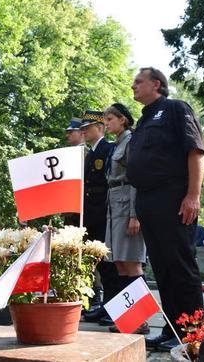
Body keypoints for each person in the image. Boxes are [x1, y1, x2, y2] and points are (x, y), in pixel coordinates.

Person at [127, 67, 204, 352]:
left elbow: (194, 151)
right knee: (161, 268)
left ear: (156, 84)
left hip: (173, 197)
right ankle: (173, 328)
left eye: (139, 81)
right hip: (147, 200)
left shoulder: (174, 109)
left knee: (179, 265)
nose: (133, 85)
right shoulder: (143, 120)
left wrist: (192, 195)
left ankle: (192, 334)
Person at [103, 103, 149, 335]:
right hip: (114, 202)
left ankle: (140, 320)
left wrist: (135, 214)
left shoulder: (131, 142)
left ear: (123, 120)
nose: (107, 123)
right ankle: (128, 319)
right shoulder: (116, 144)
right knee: (120, 262)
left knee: (132, 262)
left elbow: (136, 179)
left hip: (127, 202)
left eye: (110, 118)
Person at [79, 110, 119, 327]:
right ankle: (105, 306)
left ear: (100, 128)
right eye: (82, 129)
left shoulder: (108, 149)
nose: (84, 132)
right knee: (98, 264)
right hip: (91, 213)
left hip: (103, 212)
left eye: (88, 128)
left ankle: (112, 308)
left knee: (107, 263)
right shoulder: (90, 153)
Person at [63, 117, 86, 227]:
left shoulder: (85, 153)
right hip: (69, 208)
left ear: (82, 132)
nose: (67, 135)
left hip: (81, 208)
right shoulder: (70, 153)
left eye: (71, 132)